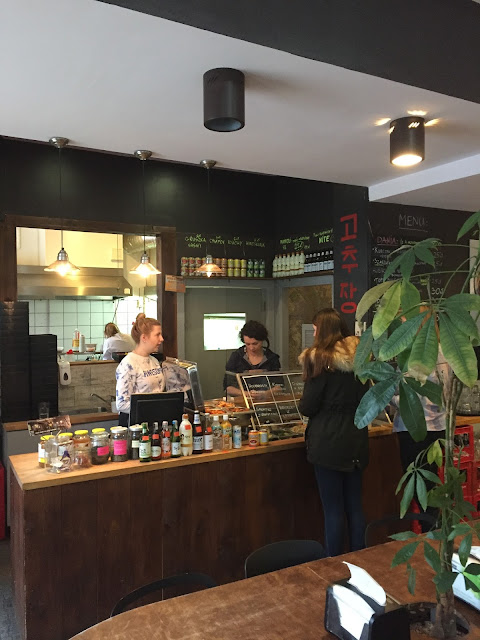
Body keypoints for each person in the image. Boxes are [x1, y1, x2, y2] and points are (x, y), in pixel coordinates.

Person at [298, 308, 368, 557]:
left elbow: (308, 406)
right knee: (355, 507)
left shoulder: (320, 361)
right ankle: (361, 559)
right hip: (356, 440)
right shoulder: (360, 359)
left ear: (323, 330)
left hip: (327, 443)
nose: (313, 333)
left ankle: (334, 564)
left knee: (333, 510)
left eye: (315, 329)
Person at [115, 314, 166, 426]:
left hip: (154, 422)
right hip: (135, 426)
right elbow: (121, 404)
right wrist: (152, 408)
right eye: (157, 335)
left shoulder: (154, 361)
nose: (161, 339)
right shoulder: (128, 364)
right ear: (144, 338)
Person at [224, 320, 280, 398]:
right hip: (241, 401)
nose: (251, 348)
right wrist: (247, 394)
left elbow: (279, 386)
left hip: (266, 401)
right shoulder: (236, 357)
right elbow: (228, 387)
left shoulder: (271, 358)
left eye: (255, 344)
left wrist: (265, 394)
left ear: (262, 340)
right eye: (248, 344)